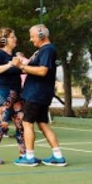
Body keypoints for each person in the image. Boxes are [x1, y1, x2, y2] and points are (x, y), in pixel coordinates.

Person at [12, 25, 65, 167]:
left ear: (41, 36)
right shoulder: (42, 51)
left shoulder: (47, 50)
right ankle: (58, 156)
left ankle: (29, 157)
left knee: (27, 123)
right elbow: (33, 66)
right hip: (39, 93)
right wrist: (23, 61)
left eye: (32, 36)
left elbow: (42, 71)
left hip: (36, 94)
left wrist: (21, 66)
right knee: (43, 124)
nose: (30, 39)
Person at [0, 27, 25, 165]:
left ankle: (24, 154)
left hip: (17, 93)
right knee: (3, 123)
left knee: (21, 123)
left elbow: (24, 68)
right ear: (4, 40)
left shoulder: (14, 56)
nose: (15, 39)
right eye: (12, 37)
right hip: (2, 93)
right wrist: (10, 64)